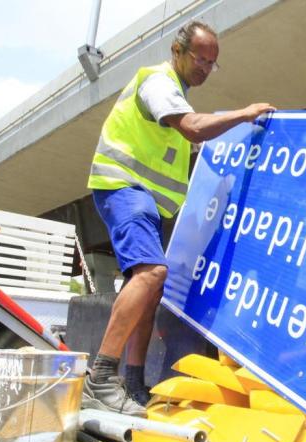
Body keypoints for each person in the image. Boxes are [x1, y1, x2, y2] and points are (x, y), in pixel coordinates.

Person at [82, 21, 275, 416]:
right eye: (199, 58)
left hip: (148, 203)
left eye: (212, 63)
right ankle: (100, 378)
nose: (204, 67)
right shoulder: (158, 84)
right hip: (124, 189)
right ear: (177, 51)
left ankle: (133, 382)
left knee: (150, 288)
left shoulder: (177, 95)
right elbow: (192, 129)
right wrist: (245, 113)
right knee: (152, 273)